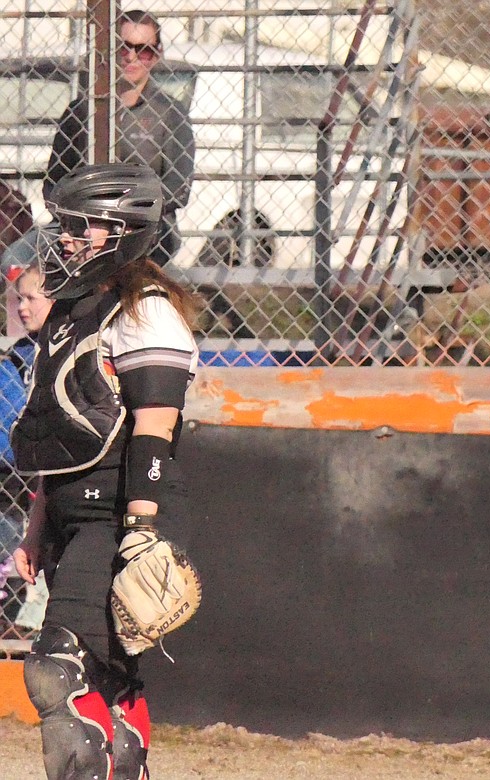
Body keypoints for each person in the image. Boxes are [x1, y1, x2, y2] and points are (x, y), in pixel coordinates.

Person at [12, 163, 199, 780]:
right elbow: (53, 428)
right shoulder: (72, 308)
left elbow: (156, 422)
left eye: (83, 226)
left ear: (126, 233)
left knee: (58, 669)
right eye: (64, 225)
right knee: (108, 680)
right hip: (70, 509)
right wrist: (39, 520)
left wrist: (141, 527)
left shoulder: (145, 311)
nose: (66, 239)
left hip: (116, 513)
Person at [43, 9, 194, 265]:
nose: (132, 57)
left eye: (144, 50)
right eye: (123, 47)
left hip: (147, 231)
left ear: (156, 55)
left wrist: (123, 214)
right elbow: (53, 182)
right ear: (109, 49)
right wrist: (83, 218)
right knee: (17, 260)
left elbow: (178, 188)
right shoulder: (80, 111)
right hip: (80, 228)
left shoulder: (170, 113)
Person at [4, 266, 52, 633]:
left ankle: (35, 619)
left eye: (31, 298)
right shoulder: (17, 356)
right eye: (18, 298)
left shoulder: (62, 348)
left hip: (51, 465)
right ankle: (13, 611)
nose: (22, 307)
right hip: (12, 470)